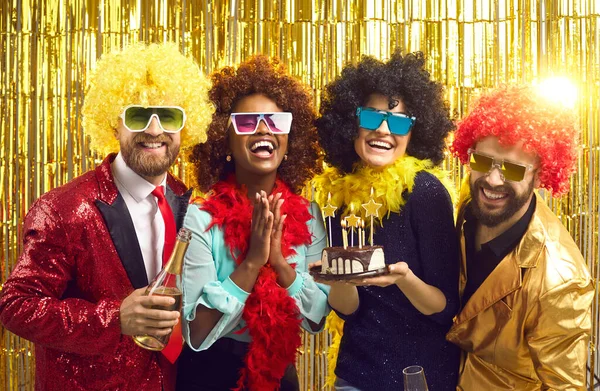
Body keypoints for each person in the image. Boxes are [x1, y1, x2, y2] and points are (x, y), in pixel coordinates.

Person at [0, 43, 213, 391]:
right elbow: (15, 305)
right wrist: (113, 319)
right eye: (137, 115)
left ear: (186, 126)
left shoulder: (191, 205)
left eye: (169, 116)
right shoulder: (64, 208)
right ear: (114, 124)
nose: (155, 130)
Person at [176, 55, 330, 391]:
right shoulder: (198, 218)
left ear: (290, 140)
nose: (264, 129)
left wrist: (279, 263)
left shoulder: (309, 216)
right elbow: (197, 333)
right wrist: (252, 262)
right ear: (224, 140)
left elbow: (317, 315)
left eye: (277, 122)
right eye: (247, 122)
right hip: (210, 375)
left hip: (279, 375)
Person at [312, 51, 461, 391]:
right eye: (371, 116)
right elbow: (347, 311)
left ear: (414, 133)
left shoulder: (425, 192)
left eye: (398, 122)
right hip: (355, 375)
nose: (382, 129)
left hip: (419, 377)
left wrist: (403, 278)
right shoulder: (338, 193)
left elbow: (444, 308)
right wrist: (339, 279)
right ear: (351, 122)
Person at [445, 85, 594, 390]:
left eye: (512, 169)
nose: (492, 180)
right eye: (483, 162)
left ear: (541, 174)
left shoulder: (560, 281)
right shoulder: (467, 204)